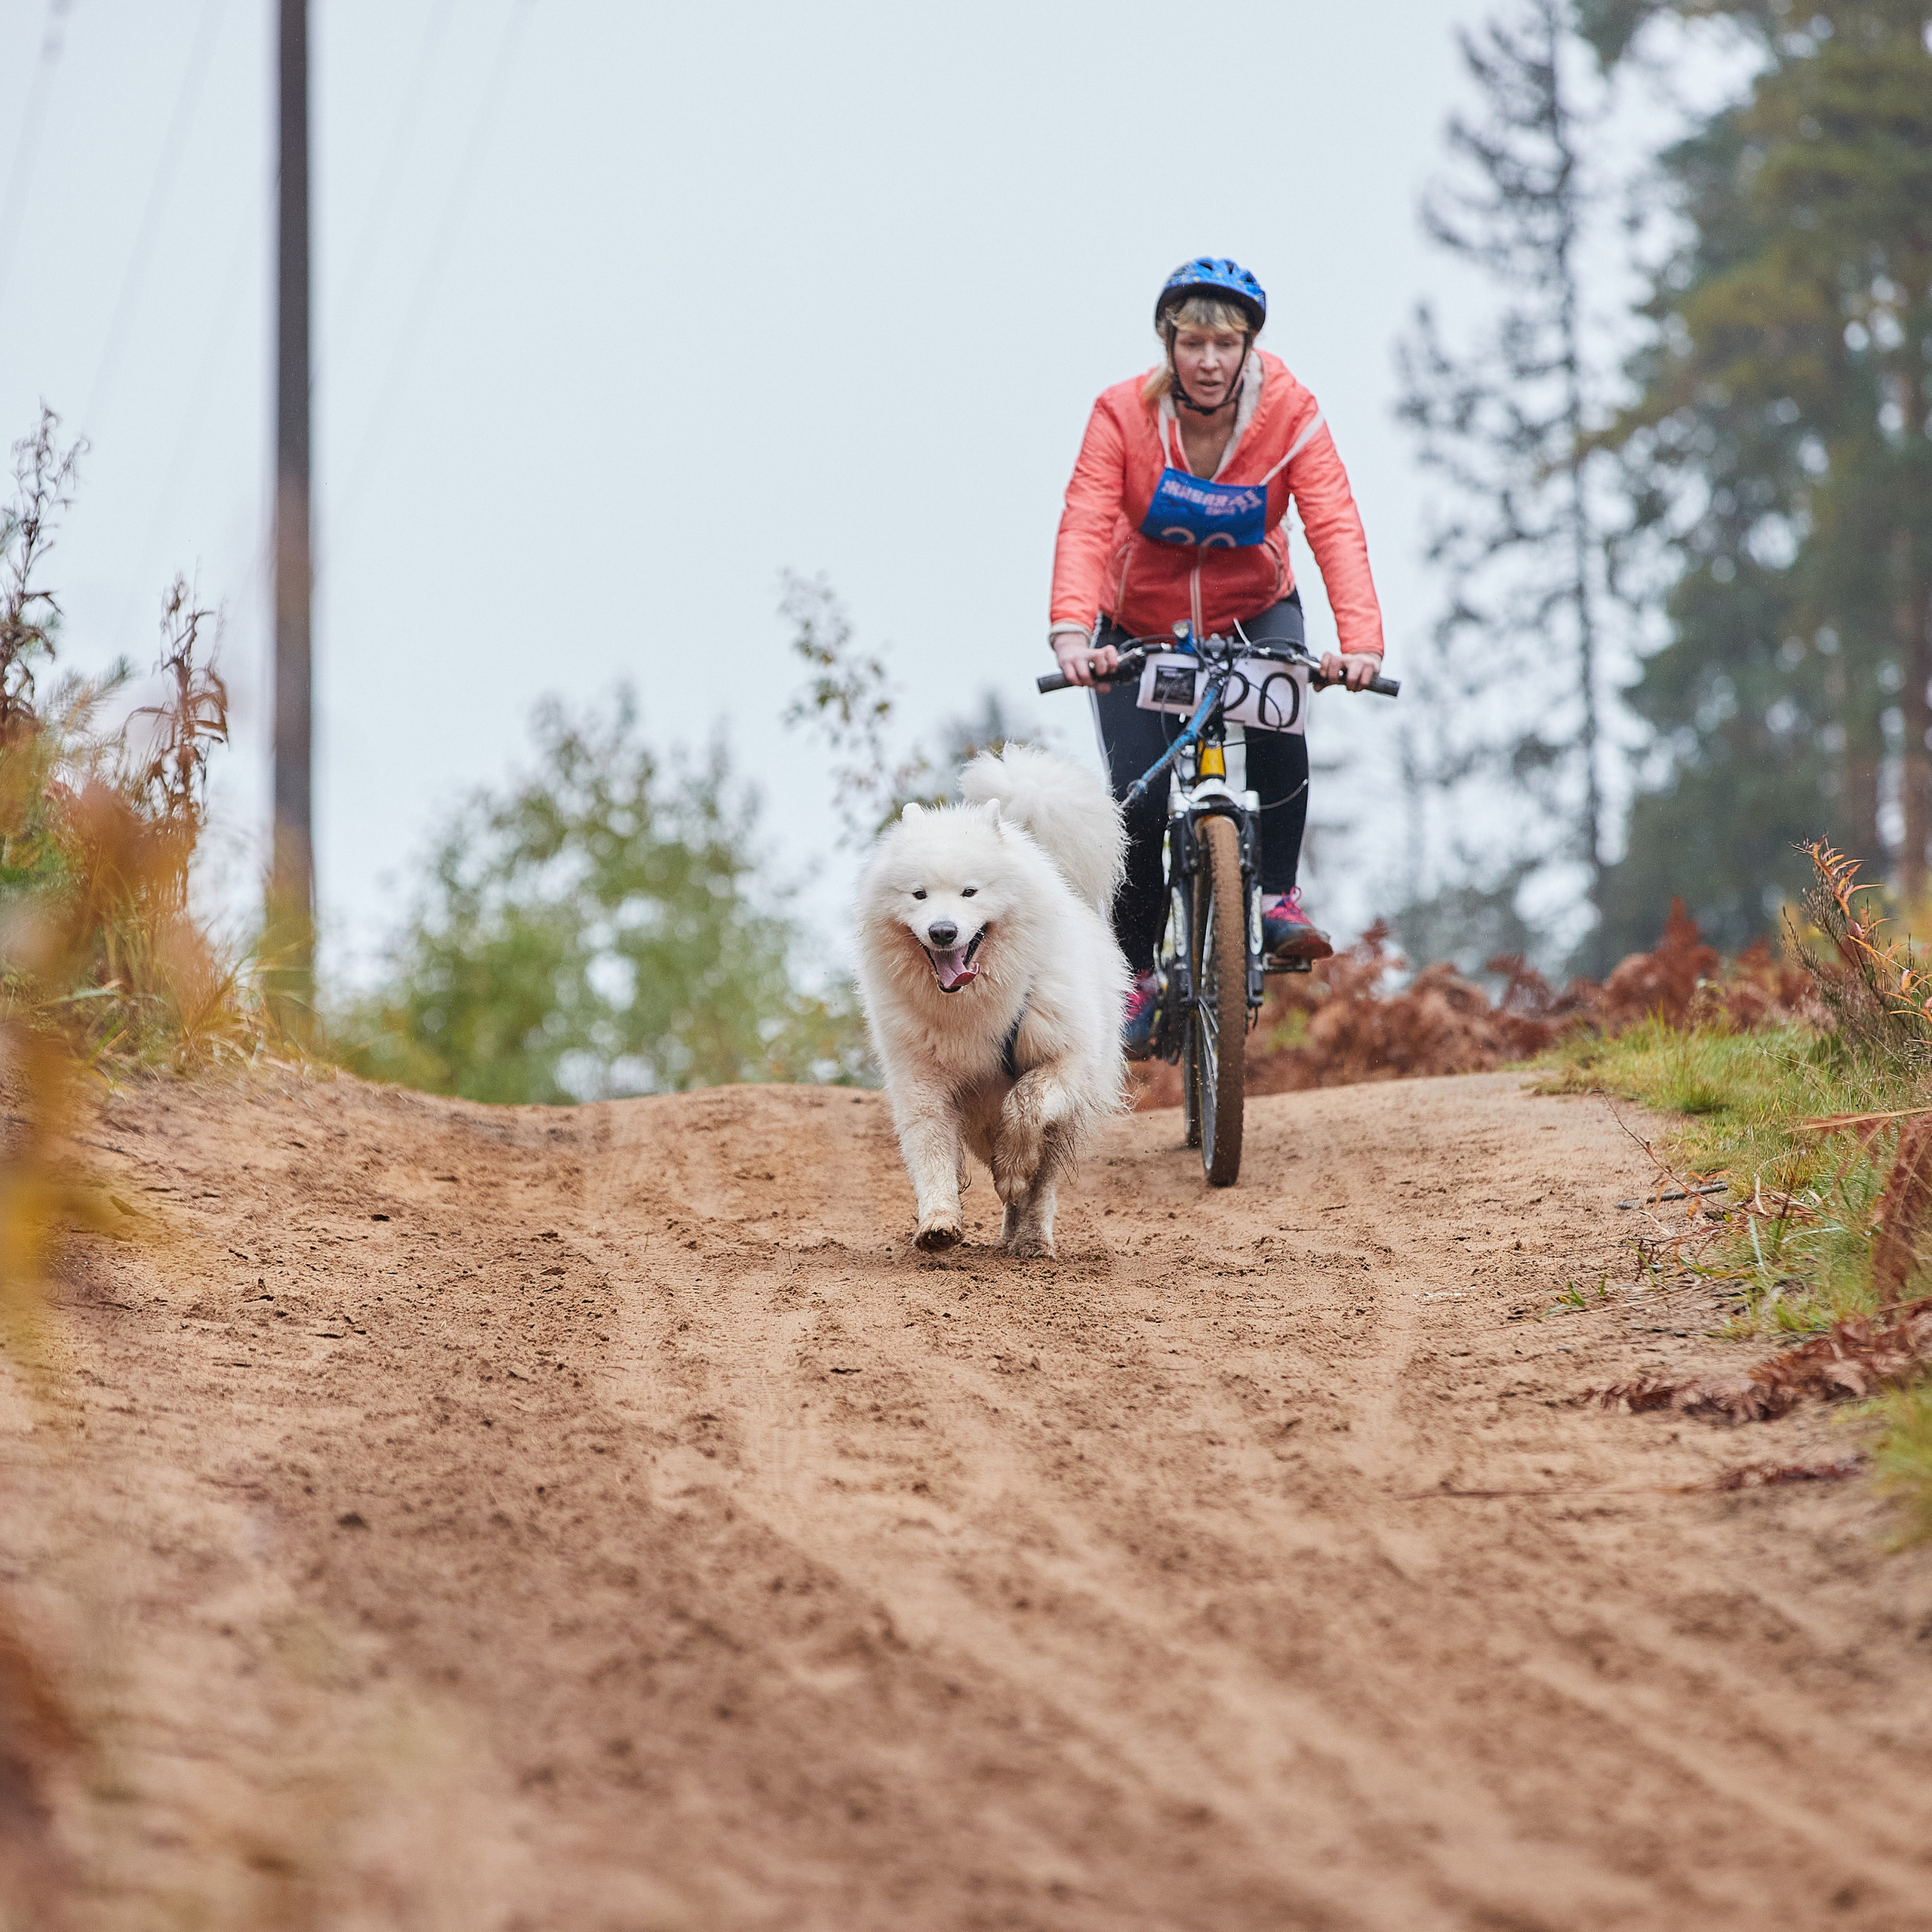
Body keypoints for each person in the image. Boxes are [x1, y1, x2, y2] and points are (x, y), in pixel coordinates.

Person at [1047, 257, 1387, 1057]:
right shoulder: (1120, 416)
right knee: (1137, 794)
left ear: (1248, 350)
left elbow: (1333, 520)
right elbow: (1088, 518)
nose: (1207, 361)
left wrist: (1359, 643)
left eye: (1225, 344)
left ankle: (1273, 897)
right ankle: (1131, 973)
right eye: (1192, 342)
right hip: (1136, 624)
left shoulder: (1291, 412)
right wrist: (1072, 631)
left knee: (1281, 722)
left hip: (1253, 608)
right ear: (1168, 344)